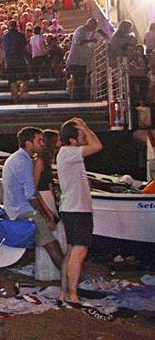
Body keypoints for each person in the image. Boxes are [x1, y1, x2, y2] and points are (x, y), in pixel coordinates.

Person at [1, 127, 64, 268]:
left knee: (45, 246)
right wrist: (47, 217)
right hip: (25, 210)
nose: (43, 143)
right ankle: (71, 283)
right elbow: (31, 195)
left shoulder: (20, 159)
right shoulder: (23, 162)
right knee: (53, 246)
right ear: (28, 143)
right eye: (39, 140)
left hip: (17, 208)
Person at [56, 118, 102, 304]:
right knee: (79, 251)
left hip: (73, 207)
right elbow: (97, 146)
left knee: (72, 251)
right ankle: (72, 294)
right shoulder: (69, 153)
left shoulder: (67, 153)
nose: (85, 138)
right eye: (81, 136)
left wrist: (83, 128)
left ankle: (64, 292)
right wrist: (85, 126)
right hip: (76, 209)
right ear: (73, 140)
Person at [66, 19, 106, 101]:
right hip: (76, 62)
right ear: (90, 24)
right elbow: (78, 41)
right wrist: (90, 40)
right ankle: (78, 100)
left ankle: (80, 99)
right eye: (94, 26)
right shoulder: (81, 30)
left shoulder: (88, 33)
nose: (94, 28)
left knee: (81, 82)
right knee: (79, 82)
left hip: (83, 62)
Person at [1, 20, 28, 103]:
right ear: (16, 26)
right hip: (20, 60)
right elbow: (24, 48)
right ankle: (20, 95)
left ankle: (15, 98)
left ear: (9, 27)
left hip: (9, 61)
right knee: (25, 79)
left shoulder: (4, 37)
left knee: (12, 81)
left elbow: (4, 49)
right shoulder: (21, 36)